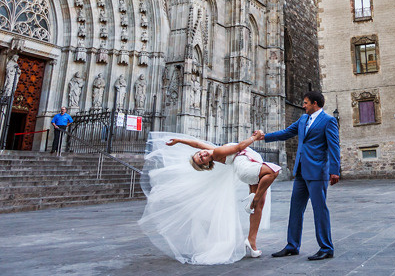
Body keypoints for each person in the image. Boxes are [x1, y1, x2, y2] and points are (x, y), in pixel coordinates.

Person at [138, 131, 281, 264]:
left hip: (248, 164)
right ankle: (253, 199)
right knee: (272, 172)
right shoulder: (217, 153)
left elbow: (197, 144)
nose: (202, 154)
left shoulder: (212, 151)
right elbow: (239, 147)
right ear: (206, 164)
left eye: (200, 154)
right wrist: (255, 137)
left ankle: (251, 241)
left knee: (259, 206)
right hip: (245, 167)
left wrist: (179, 140)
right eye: (202, 159)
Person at [263, 90, 341, 261]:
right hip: (300, 171)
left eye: (306, 103)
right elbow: (286, 133)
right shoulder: (303, 119)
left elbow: (334, 146)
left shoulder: (328, 121)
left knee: (319, 210)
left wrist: (334, 170)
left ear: (315, 103)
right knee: (295, 209)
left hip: (317, 171)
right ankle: (292, 245)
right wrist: (264, 137)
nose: (303, 105)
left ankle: (326, 248)